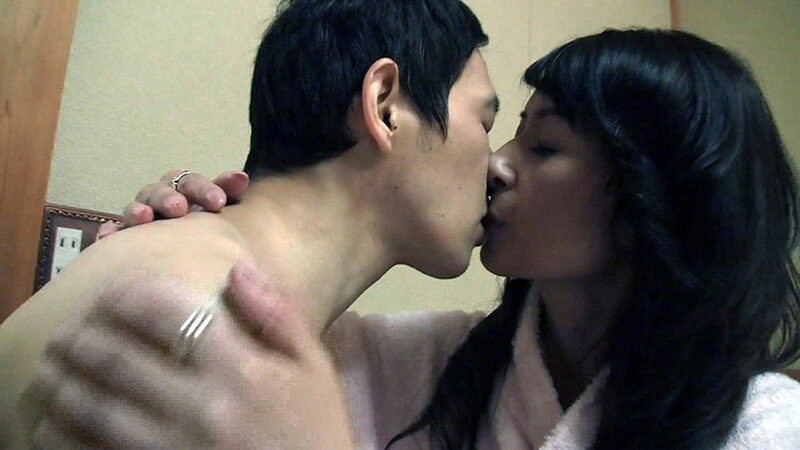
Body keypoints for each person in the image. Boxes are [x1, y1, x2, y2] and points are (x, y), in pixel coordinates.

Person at [49, 28, 800, 449]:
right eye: (504, 130)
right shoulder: (423, 364)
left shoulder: (767, 428)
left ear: (653, 197)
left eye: (543, 145)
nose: (496, 164)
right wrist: (190, 241)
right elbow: (242, 339)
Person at [0, 0, 497, 447]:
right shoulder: (206, 346)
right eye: (485, 123)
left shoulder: (185, 265)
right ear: (385, 107)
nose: (496, 167)